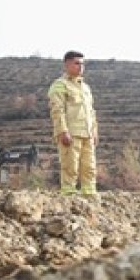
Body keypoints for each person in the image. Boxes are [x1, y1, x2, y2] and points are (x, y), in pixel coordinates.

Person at [47, 51, 98, 196]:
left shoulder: (86, 88)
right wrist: (63, 131)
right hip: (71, 133)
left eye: (82, 64)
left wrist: (94, 131)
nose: (80, 67)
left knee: (90, 167)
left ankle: (90, 194)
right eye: (77, 63)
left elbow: (91, 111)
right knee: (70, 166)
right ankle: (69, 195)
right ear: (67, 64)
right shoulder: (60, 85)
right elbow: (57, 110)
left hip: (87, 133)